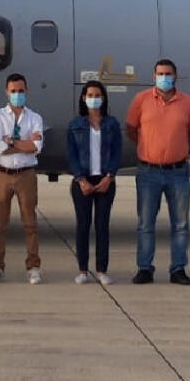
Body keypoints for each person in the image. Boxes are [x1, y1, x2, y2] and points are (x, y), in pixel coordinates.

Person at [125, 58, 190, 285]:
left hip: (178, 172)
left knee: (180, 224)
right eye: (160, 74)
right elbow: (131, 128)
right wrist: (149, 147)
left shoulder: (187, 103)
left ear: (175, 76)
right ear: (153, 76)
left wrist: (174, 147)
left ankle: (178, 269)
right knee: (146, 223)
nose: (164, 78)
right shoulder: (141, 100)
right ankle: (145, 268)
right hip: (149, 172)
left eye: (168, 74)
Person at [0, 73, 45, 284]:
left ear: (26, 91)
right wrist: (24, 143)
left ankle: (33, 267)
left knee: (30, 223)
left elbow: (36, 148)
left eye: (21, 91)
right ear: (6, 92)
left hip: (26, 175)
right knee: (0, 224)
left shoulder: (35, 117)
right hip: (3, 174)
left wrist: (11, 141)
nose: (17, 95)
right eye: (13, 91)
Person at [66, 80, 122, 284]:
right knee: (83, 225)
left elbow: (117, 152)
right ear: (83, 98)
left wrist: (110, 176)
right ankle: (82, 270)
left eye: (97, 95)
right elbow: (71, 155)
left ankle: (101, 269)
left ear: (104, 98)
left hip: (105, 180)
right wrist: (81, 179)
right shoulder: (75, 125)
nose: (94, 99)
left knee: (102, 225)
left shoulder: (112, 124)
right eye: (90, 95)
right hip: (83, 181)